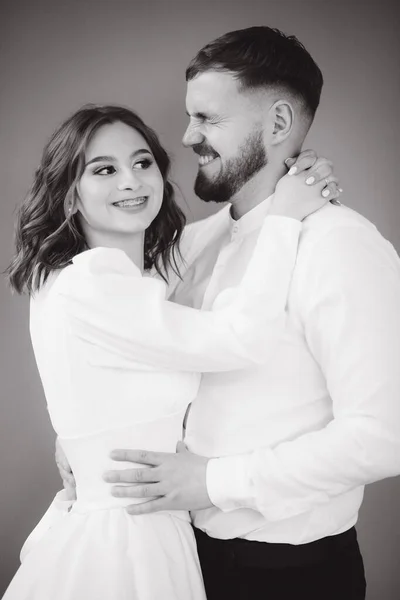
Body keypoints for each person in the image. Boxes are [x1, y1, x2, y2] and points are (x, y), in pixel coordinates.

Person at [72, 26, 400, 600]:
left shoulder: (340, 246)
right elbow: (126, 346)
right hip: (181, 555)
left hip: (289, 574)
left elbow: (385, 435)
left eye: (208, 120)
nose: (187, 135)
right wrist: (81, 445)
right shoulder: (196, 242)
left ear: (277, 125)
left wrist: (213, 481)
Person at [4, 103, 335, 600]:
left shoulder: (110, 276)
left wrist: (270, 191)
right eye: (104, 170)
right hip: (123, 542)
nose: (131, 182)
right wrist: (285, 215)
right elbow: (240, 338)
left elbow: (212, 234)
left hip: (144, 525)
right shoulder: (93, 285)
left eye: (143, 163)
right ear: (69, 195)